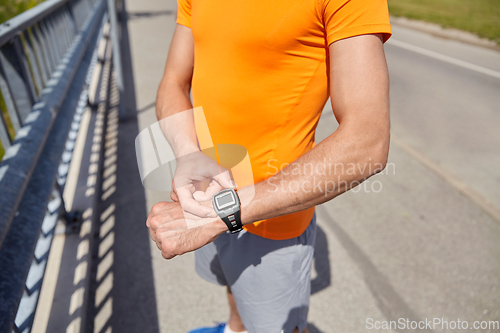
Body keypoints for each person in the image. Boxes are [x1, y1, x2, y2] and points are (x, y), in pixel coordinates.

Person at [146, 0, 392, 331]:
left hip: (273, 215)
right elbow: (173, 81)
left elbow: (368, 142)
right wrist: (188, 152)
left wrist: (227, 212)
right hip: (207, 193)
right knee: (232, 286)